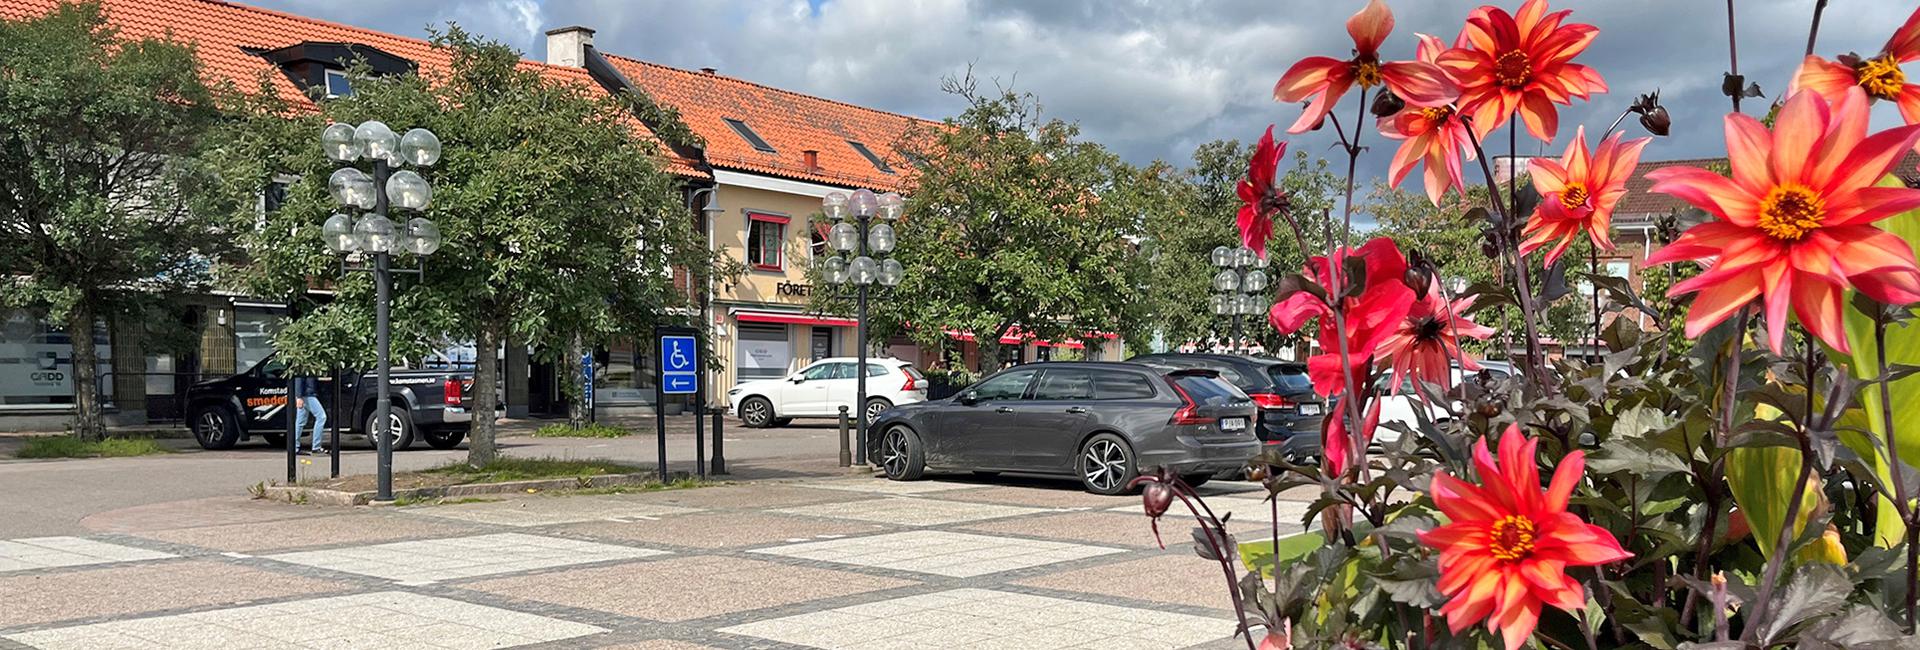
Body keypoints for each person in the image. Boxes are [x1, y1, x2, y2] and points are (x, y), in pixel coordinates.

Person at [293, 373, 327, 454]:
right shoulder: (305, 364)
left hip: (305, 394)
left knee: (300, 421)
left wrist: (298, 396)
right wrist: (298, 397)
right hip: (308, 394)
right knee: (321, 417)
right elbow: (299, 379)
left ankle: (294, 447)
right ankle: (316, 446)